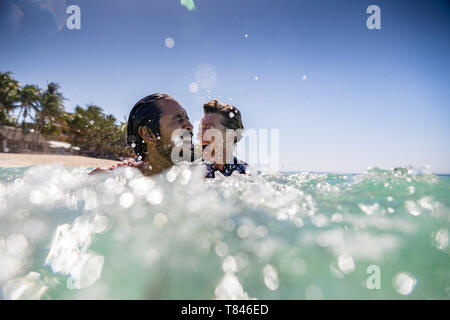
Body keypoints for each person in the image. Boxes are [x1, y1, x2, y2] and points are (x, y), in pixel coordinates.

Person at [89, 93, 193, 176]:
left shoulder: (200, 176)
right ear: (148, 133)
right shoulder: (114, 181)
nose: (190, 125)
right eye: (178, 118)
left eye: (187, 118)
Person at [199, 99, 247, 178]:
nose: (201, 135)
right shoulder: (190, 173)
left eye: (209, 128)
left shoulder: (249, 175)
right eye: (201, 128)